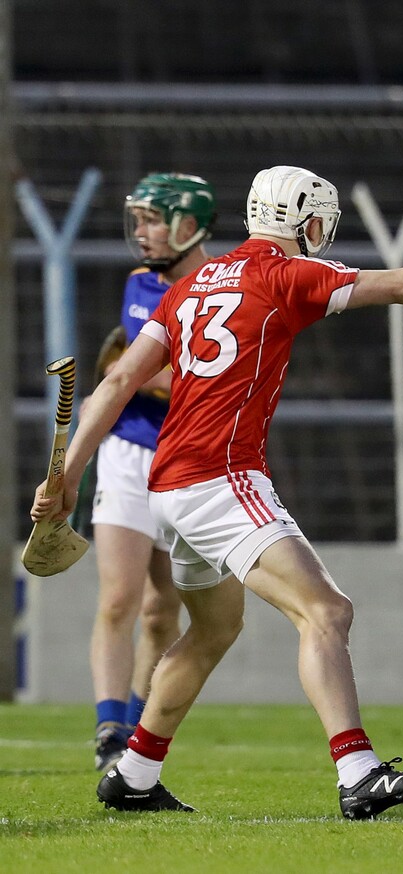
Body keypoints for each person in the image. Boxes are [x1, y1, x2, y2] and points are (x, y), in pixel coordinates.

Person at [32, 165, 403, 819]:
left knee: (212, 630)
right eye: (320, 221)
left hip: (168, 486)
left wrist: (64, 473)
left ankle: (133, 773)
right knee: (327, 612)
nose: (323, 234)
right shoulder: (287, 275)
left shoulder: (187, 287)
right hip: (221, 476)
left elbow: (119, 379)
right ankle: (357, 774)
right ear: (302, 220)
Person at [87, 173, 214, 772]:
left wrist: (137, 375)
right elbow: (153, 374)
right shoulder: (139, 284)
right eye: (135, 221)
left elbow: (156, 375)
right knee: (120, 598)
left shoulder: (218, 288)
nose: (140, 233)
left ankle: (138, 728)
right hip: (127, 452)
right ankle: (109, 730)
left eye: (151, 220)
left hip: (187, 460)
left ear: (189, 224)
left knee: (164, 611)